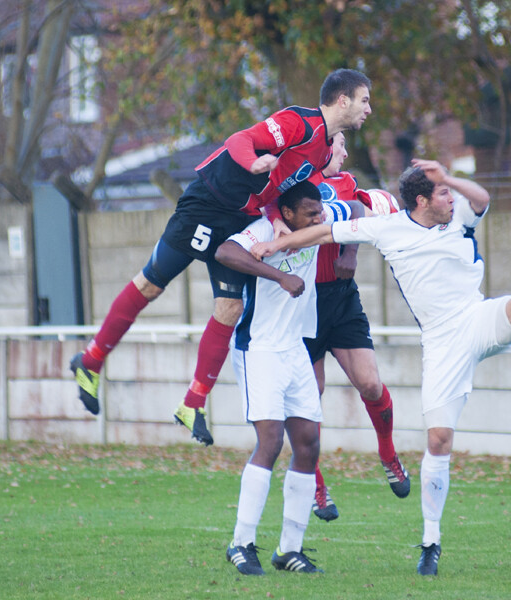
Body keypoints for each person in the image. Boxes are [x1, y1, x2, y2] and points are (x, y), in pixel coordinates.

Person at [250, 158, 511, 576]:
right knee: (438, 440)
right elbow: (327, 231)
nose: (451, 197)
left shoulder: (458, 215)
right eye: (442, 192)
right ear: (421, 201)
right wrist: (277, 244)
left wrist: (449, 177)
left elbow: (483, 198)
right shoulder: (388, 228)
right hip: (440, 343)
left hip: (476, 318)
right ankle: (430, 541)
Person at [68, 69, 373, 447]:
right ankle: (91, 361)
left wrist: (277, 220)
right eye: (364, 100)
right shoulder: (300, 122)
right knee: (150, 284)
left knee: (229, 307)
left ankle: (192, 404)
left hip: (240, 217)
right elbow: (240, 140)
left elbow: (280, 191)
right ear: (342, 100)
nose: (368, 109)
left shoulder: (324, 151)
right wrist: (253, 164)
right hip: (208, 204)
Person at [214, 179, 364, 575]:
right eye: (311, 214)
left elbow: (359, 212)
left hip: (295, 348)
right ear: (287, 215)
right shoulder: (265, 230)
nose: (319, 219)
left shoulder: (319, 218)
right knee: (270, 441)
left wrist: (349, 250)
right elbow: (225, 251)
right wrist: (278, 276)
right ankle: (241, 543)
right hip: (259, 349)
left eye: (320, 212)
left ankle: (289, 550)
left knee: (309, 444)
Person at [305, 133, 408, 522]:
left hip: (341, 298)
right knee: (308, 399)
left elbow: (363, 212)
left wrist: (350, 250)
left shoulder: (345, 184)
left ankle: (388, 453)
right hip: (301, 305)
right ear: (321, 147)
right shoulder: (294, 184)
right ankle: (314, 483)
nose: (346, 154)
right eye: (340, 147)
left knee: (370, 383)